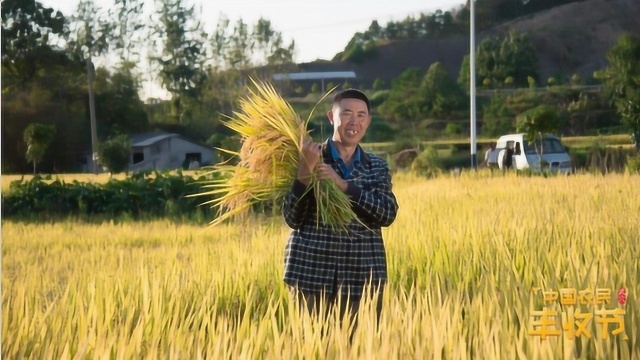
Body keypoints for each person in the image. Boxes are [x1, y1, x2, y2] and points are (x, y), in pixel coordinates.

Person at [282, 88, 399, 331]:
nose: (354, 121)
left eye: (361, 115)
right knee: (310, 350)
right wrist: (304, 171)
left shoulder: (376, 167)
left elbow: (387, 213)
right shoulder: (306, 156)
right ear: (331, 117)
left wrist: (343, 185)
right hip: (310, 277)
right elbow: (292, 218)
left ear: (368, 121)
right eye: (346, 113)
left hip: (362, 279)